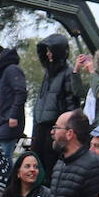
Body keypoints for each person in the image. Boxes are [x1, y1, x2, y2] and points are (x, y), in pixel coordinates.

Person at [32, 34, 78, 176]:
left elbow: (71, 101)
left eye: (50, 50)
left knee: (50, 164)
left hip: (54, 126)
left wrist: (66, 127)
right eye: (46, 51)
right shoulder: (48, 72)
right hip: (40, 125)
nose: (48, 54)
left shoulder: (68, 72)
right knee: (36, 161)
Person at [0, 44, 26, 161]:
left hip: (7, 125)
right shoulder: (4, 74)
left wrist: (13, 116)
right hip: (0, 125)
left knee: (3, 161)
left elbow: (21, 92)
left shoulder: (12, 70)